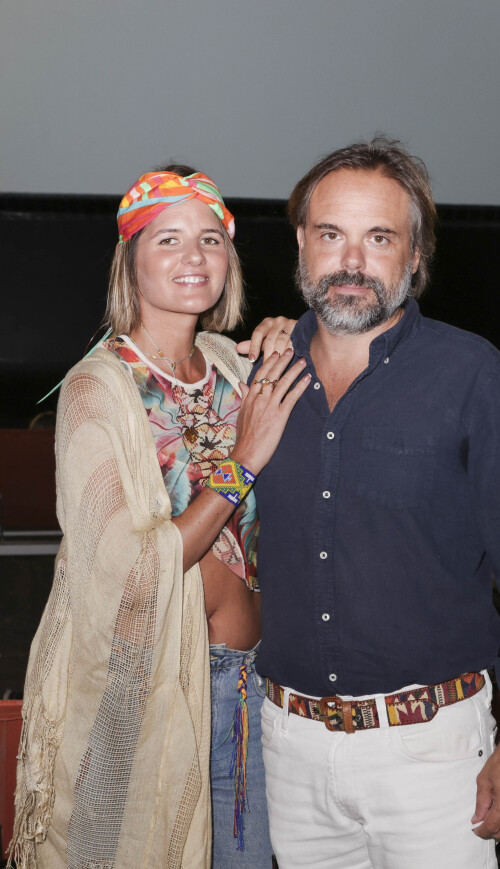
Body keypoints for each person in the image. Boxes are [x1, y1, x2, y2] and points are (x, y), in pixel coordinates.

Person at [252, 137, 500, 869]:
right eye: (331, 235)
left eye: (379, 238)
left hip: (433, 756)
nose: (352, 262)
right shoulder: (257, 376)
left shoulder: (475, 378)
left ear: (416, 257)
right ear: (302, 244)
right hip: (290, 751)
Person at [9, 165, 309, 869]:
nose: (193, 256)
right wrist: (242, 462)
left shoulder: (232, 366)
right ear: (131, 260)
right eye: (168, 239)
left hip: (257, 686)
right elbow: (123, 567)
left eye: (210, 239)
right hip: (157, 693)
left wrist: (301, 336)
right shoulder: (97, 388)